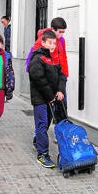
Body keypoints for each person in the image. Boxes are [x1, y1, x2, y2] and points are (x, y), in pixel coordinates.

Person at [28, 29, 65, 168]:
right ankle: (42, 154)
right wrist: (50, 95)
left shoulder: (54, 57)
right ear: (43, 42)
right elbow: (38, 79)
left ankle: (37, 141)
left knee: (46, 123)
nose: (52, 46)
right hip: (40, 99)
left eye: (54, 43)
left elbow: (61, 74)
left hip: (51, 98)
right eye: (49, 43)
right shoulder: (37, 58)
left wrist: (60, 90)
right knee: (42, 125)